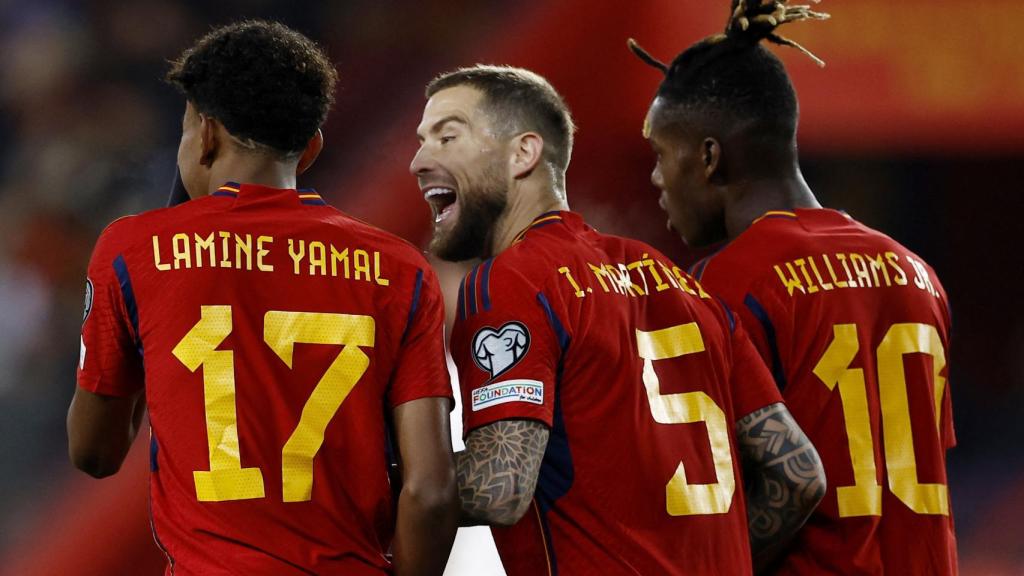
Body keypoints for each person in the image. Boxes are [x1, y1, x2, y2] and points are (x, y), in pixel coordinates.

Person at [67, 20, 458, 576]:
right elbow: (432, 492)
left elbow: (94, 452)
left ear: (205, 135)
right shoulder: (400, 270)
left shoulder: (136, 250)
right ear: (311, 147)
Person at [409, 64, 824, 575]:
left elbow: (499, 489)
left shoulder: (513, 280)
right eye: (421, 141)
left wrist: (371, 478)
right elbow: (796, 475)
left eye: (447, 137)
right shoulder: (683, 285)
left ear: (523, 154)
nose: (418, 161)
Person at [633, 1, 958, 573]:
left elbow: (713, 491)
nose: (657, 178)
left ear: (708, 157)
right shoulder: (917, 274)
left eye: (661, 154)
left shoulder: (726, 285)